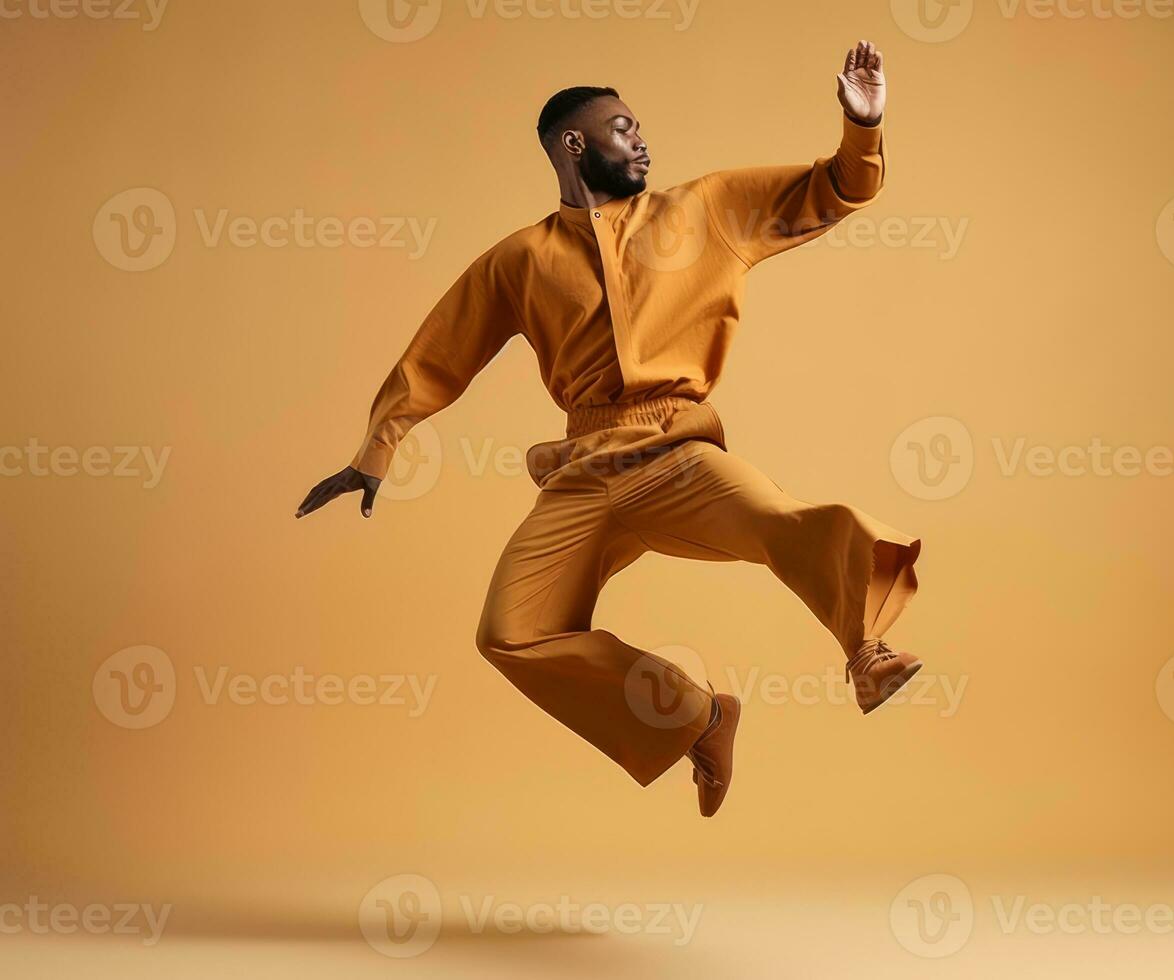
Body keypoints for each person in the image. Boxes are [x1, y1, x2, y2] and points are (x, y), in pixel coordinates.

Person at [296, 40, 923, 818]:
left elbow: (832, 191)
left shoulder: (704, 209)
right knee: (511, 633)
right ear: (573, 144)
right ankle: (699, 715)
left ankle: (867, 650)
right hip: (583, 471)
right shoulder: (518, 260)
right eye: (623, 128)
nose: (642, 141)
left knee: (780, 521)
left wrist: (862, 125)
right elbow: (438, 357)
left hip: (677, 452)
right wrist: (376, 450)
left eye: (639, 128)